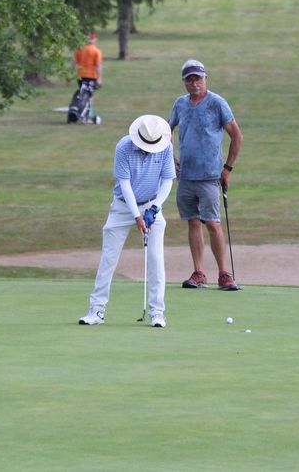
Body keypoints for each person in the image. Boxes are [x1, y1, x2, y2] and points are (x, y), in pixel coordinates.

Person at [79, 115, 175, 328]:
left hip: (152, 205)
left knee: (156, 259)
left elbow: (167, 181)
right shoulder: (123, 146)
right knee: (108, 258)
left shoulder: (166, 147)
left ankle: (157, 312)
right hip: (122, 207)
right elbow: (125, 185)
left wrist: (154, 208)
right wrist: (137, 216)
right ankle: (96, 310)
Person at [169, 60, 243, 291]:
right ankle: (199, 273)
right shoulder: (180, 104)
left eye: (198, 78)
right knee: (193, 222)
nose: (194, 83)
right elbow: (167, 130)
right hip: (185, 176)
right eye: (189, 79)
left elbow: (237, 136)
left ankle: (224, 273)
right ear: (184, 82)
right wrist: (171, 156)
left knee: (212, 222)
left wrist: (227, 169)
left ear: (205, 78)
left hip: (210, 175)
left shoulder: (217, 103)